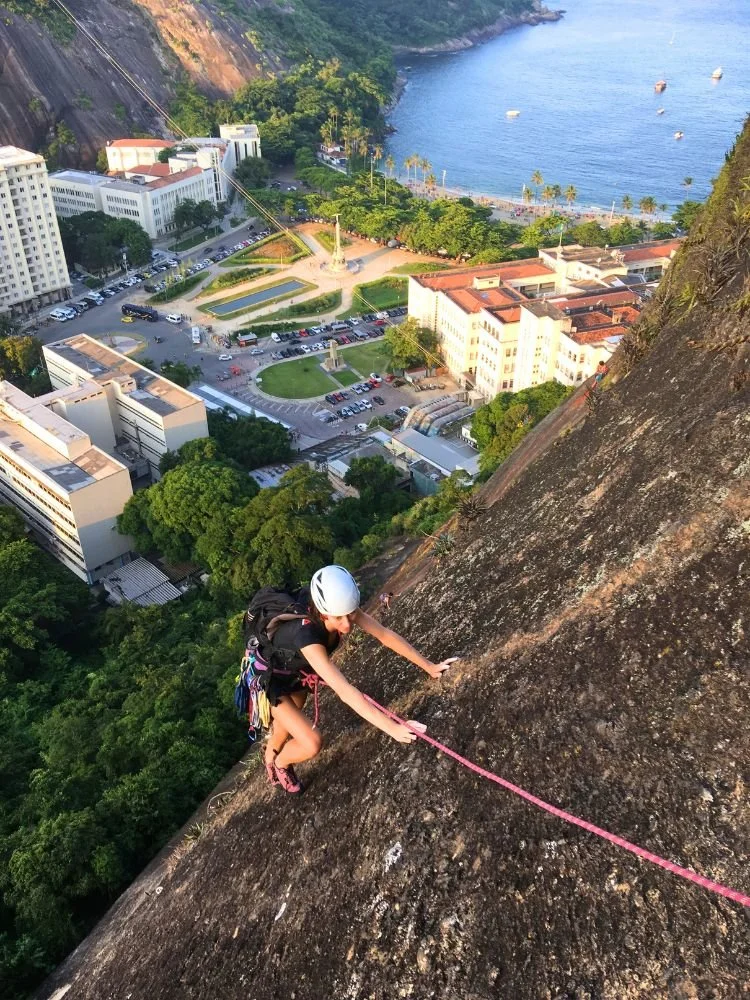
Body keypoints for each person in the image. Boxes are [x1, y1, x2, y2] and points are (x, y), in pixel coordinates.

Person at [262, 565, 457, 794]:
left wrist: (430, 666)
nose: (347, 624)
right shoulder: (306, 636)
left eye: (351, 614)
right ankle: (280, 763)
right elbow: (344, 691)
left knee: (285, 727)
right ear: (323, 612)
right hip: (270, 682)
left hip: (295, 674)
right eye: (338, 618)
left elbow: (384, 635)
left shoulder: (341, 607)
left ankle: (271, 753)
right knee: (312, 742)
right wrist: (392, 728)